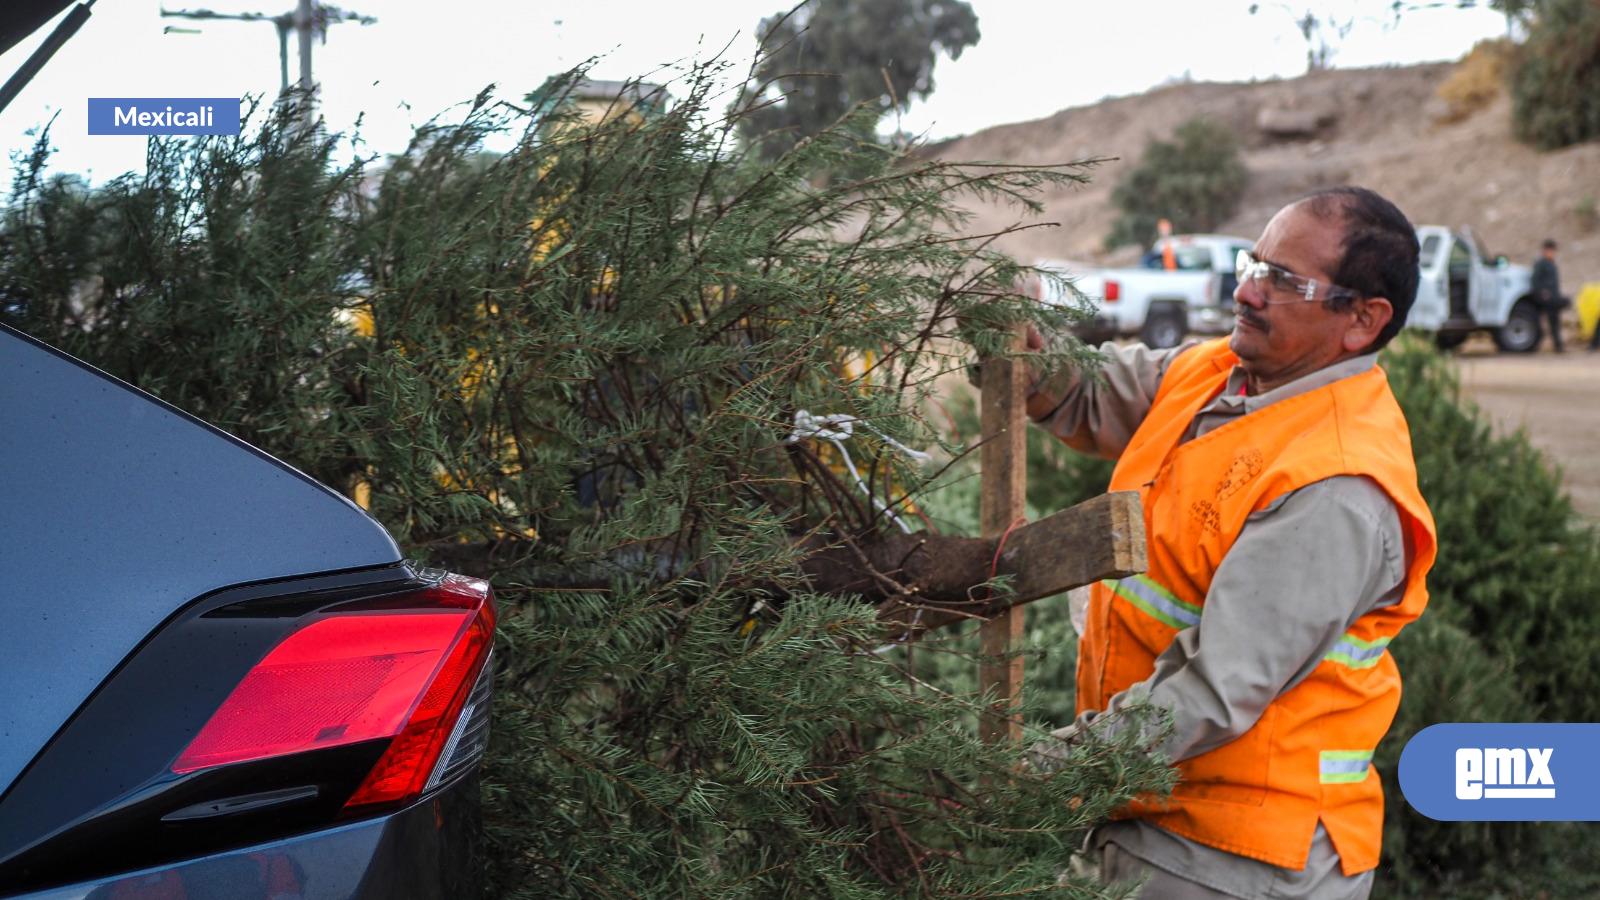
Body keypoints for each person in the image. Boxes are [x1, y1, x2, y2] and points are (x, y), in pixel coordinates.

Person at [1026, 186, 1437, 899]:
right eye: (1256, 263)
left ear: (1363, 321)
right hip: (1151, 811)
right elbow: (1084, 395)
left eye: (1284, 281)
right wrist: (1020, 343)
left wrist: (1041, 776)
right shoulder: (1219, 374)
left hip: (1236, 859)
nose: (1247, 290)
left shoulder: (1336, 486)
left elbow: (1213, 691)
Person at [1532, 238, 1566, 352]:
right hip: (1546, 299)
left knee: (1554, 323)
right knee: (1542, 324)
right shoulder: (1541, 264)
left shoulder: (1551, 264)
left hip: (1553, 298)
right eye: (1551, 251)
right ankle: (1536, 345)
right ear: (1546, 250)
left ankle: (1558, 346)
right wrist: (1542, 293)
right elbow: (1535, 281)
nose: (1553, 253)